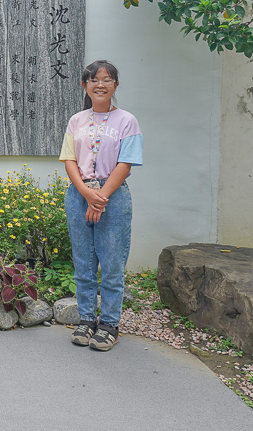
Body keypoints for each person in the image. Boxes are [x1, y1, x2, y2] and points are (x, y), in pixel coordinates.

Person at [58, 60, 142, 352]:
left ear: (115, 85)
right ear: (85, 86)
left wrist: (101, 196)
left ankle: (109, 325)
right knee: (83, 263)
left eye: (107, 80)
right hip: (78, 194)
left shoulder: (127, 120)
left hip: (113, 195)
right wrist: (85, 192)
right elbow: (69, 159)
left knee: (111, 264)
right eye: (94, 80)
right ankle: (86, 319)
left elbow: (126, 162)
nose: (100, 85)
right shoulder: (76, 120)